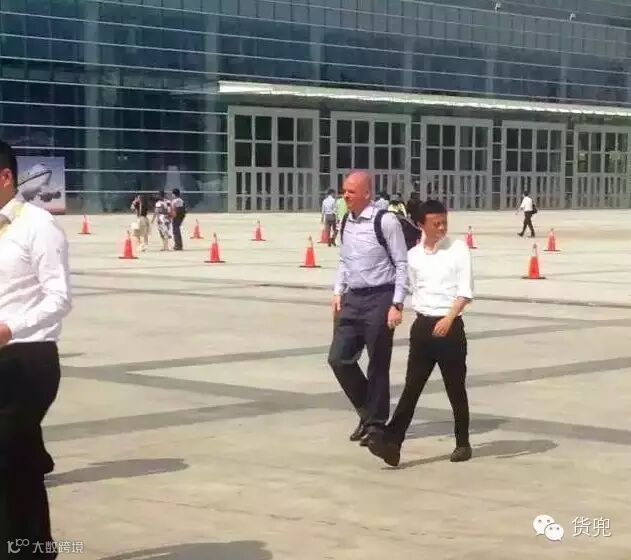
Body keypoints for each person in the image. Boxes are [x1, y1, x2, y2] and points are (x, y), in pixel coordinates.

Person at [0, 139, 72, 557]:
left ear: (6, 177)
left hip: (27, 358)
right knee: (20, 462)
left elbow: (58, 298)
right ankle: (35, 547)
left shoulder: (37, 224)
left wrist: (10, 328)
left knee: (8, 456)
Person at [368, 199, 473, 467]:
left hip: (449, 327)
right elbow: (410, 287)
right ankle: (392, 443)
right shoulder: (413, 256)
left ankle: (463, 443)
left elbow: (465, 291)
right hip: (423, 327)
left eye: (444, 223)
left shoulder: (458, 249)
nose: (442, 228)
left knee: (455, 388)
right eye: (436, 224)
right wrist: (397, 308)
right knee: (412, 388)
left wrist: (449, 318)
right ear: (421, 225)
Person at [328, 171, 408, 447]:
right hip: (353, 298)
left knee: (378, 364)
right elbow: (344, 260)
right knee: (339, 359)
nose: (345, 196)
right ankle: (367, 411)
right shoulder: (345, 221)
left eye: (351, 191)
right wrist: (338, 291)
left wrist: (397, 303)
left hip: (380, 297)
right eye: (344, 190)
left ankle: (376, 424)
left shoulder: (385, 221)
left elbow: (402, 263)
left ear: (366, 193)